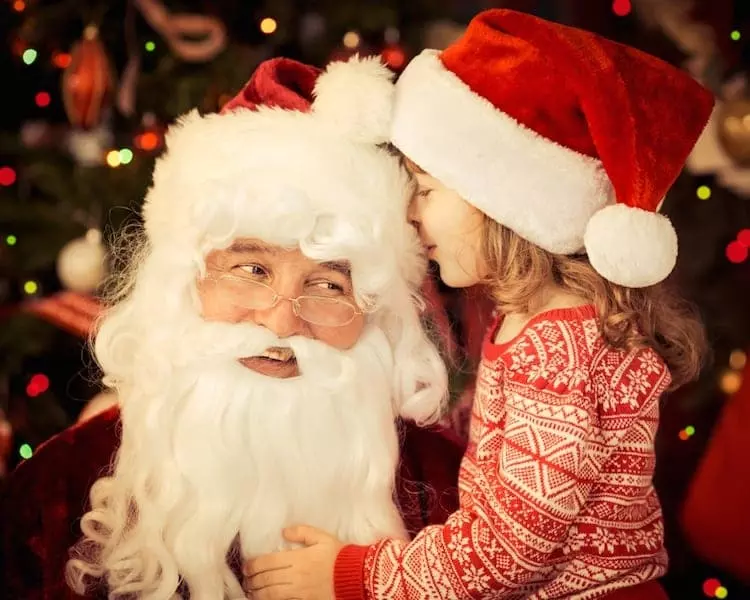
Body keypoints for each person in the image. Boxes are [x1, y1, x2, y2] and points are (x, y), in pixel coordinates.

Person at [244, 9, 714, 600]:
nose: (411, 212)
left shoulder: (560, 349)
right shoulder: (538, 324)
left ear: (506, 206)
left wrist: (353, 574)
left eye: (428, 190)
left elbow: (506, 551)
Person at [0, 56, 465, 599]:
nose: (282, 321)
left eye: (328, 285)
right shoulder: (51, 493)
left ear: (378, 313)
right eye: (252, 270)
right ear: (183, 284)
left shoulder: (457, 496)